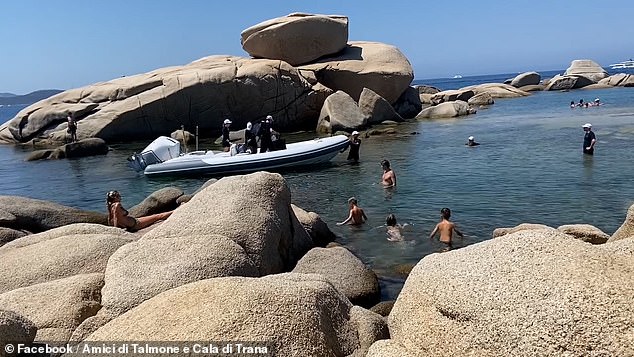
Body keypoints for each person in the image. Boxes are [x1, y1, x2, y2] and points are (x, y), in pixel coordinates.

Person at [106, 190, 173, 232]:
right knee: (158, 216)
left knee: (154, 216)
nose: (121, 197)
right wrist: (116, 230)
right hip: (135, 224)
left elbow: (110, 218)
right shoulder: (117, 205)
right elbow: (115, 217)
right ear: (115, 198)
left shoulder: (110, 206)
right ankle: (176, 212)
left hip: (131, 223)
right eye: (119, 196)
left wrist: (112, 227)